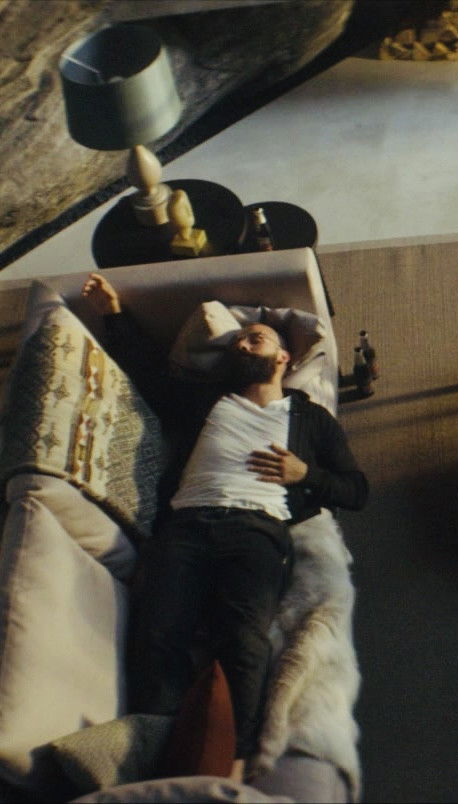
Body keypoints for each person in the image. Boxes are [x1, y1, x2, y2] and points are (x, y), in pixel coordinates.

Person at [81, 273, 368, 775]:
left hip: (257, 531)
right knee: (158, 633)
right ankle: (168, 750)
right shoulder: (206, 400)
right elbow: (148, 373)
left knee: (243, 641)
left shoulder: (311, 420)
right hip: (186, 527)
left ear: (284, 357)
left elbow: (356, 490)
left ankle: (230, 763)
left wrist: (306, 474)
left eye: (256, 337)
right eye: (238, 340)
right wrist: (112, 313)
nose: (243, 342)